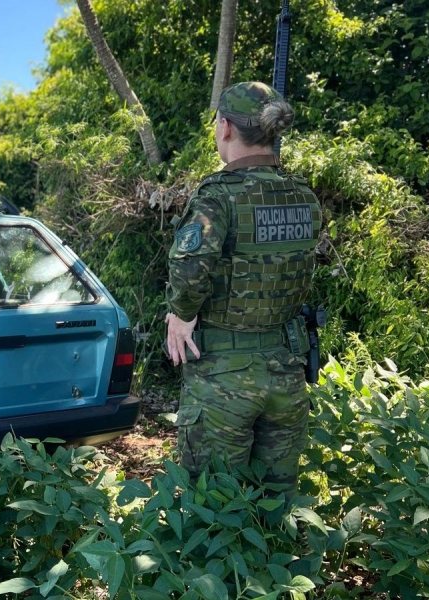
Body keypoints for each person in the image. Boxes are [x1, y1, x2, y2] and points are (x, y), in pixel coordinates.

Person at [166, 81, 322, 498]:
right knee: (276, 504)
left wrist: (182, 316)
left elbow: (190, 269)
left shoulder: (218, 196)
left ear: (226, 128)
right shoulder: (303, 195)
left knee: (213, 506)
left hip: (223, 378)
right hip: (286, 372)